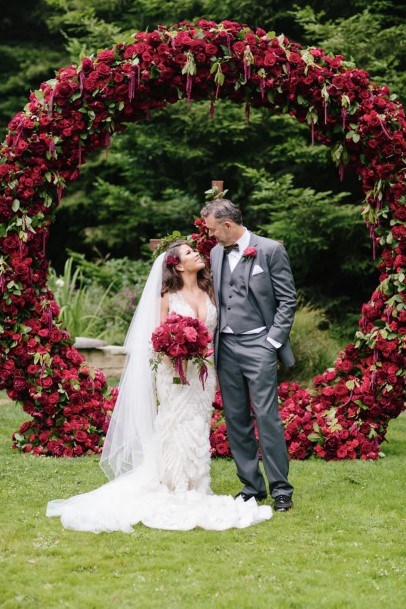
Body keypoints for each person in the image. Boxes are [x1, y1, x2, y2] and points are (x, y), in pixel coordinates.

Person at [46, 241, 272, 532]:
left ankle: (198, 484)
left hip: (204, 374)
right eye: (190, 253)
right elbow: (156, 339)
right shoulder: (167, 296)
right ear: (177, 265)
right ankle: (175, 483)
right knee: (175, 423)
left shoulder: (209, 290)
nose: (197, 254)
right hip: (174, 373)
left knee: (199, 424)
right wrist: (177, 353)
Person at [200, 200, 297, 512]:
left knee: (267, 416)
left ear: (228, 225)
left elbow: (287, 300)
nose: (211, 236)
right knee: (236, 418)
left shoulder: (269, 250)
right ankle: (251, 487)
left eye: (214, 229)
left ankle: (281, 489)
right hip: (225, 347)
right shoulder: (216, 253)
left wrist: (272, 342)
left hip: (260, 345)